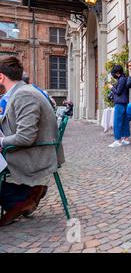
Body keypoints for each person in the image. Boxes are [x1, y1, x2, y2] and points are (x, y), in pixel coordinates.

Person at [0, 56, 64, 226]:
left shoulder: (24, 95)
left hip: (36, 154)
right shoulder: (24, 92)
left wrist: (2, 142)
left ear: (1, 77)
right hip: (34, 148)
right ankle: (24, 194)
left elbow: (25, 137)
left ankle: (21, 197)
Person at [107, 65, 130, 147]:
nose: (113, 75)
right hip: (123, 102)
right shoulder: (124, 78)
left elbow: (118, 91)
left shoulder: (121, 79)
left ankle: (117, 140)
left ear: (117, 73)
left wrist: (111, 87)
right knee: (124, 121)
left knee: (117, 122)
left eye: (113, 73)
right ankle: (125, 139)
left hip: (120, 103)